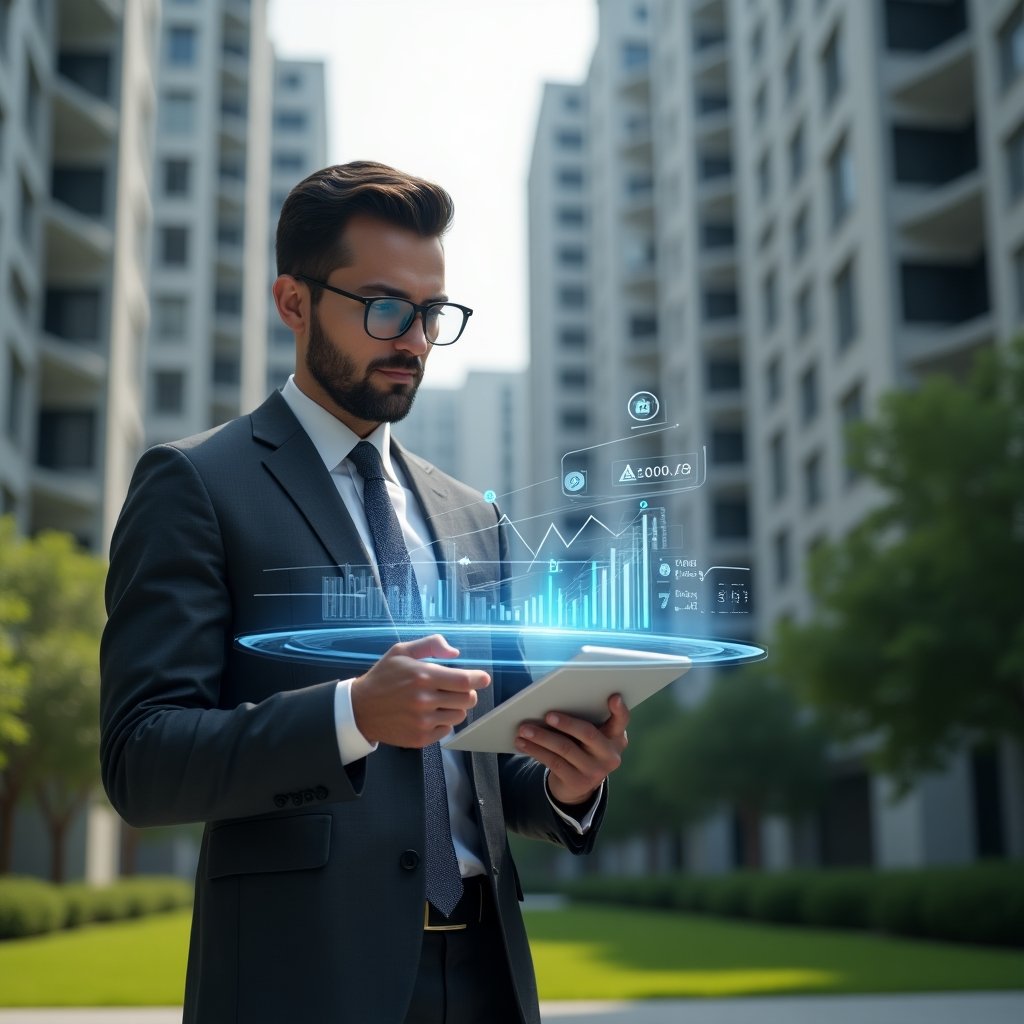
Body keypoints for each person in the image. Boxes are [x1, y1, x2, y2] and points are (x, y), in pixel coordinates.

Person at [100, 161, 630, 1024]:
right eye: (386, 307)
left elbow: (500, 767)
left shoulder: (471, 517)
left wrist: (570, 780)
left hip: (490, 974)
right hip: (302, 977)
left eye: (433, 314)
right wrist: (349, 714)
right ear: (294, 302)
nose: (415, 338)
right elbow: (142, 759)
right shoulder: (195, 484)